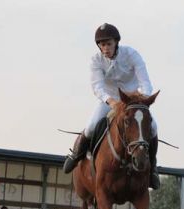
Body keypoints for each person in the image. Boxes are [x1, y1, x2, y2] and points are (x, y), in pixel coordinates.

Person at [63, 23, 160, 189]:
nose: (105, 48)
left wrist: (143, 98)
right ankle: (76, 154)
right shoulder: (95, 60)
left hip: (132, 100)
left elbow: (145, 82)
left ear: (116, 42)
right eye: (102, 45)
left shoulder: (131, 54)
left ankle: (153, 168)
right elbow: (97, 87)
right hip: (109, 100)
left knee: (152, 127)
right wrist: (111, 101)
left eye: (108, 44)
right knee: (92, 126)